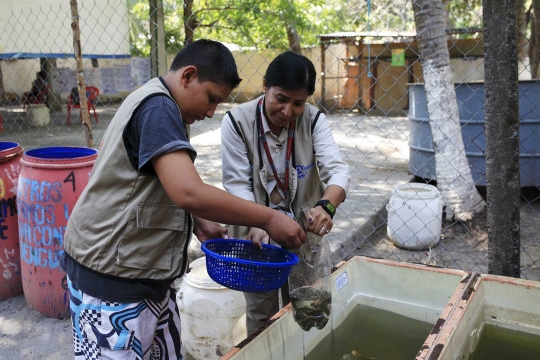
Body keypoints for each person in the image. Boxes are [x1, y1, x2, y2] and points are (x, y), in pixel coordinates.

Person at [60, 40, 306, 360]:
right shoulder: (159, 109)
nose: (210, 112)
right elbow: (187, 190)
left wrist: (199, 221)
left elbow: (160, 182)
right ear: (188, 76)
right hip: (112, 281)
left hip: (143, 274)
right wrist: (269, 218)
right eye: (211, 99)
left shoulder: (164, 105)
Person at [221, 51, 350, 335]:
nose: (288, 111)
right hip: (257, 238)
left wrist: (325, 207)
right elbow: (237, 184)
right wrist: (258, 221)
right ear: (265, 85)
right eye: (280, 98)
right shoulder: (236, 122)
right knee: (261, 315)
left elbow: (337, 171)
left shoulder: (314, 120)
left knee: (308, 306)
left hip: (303, 236)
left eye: (298, 103)